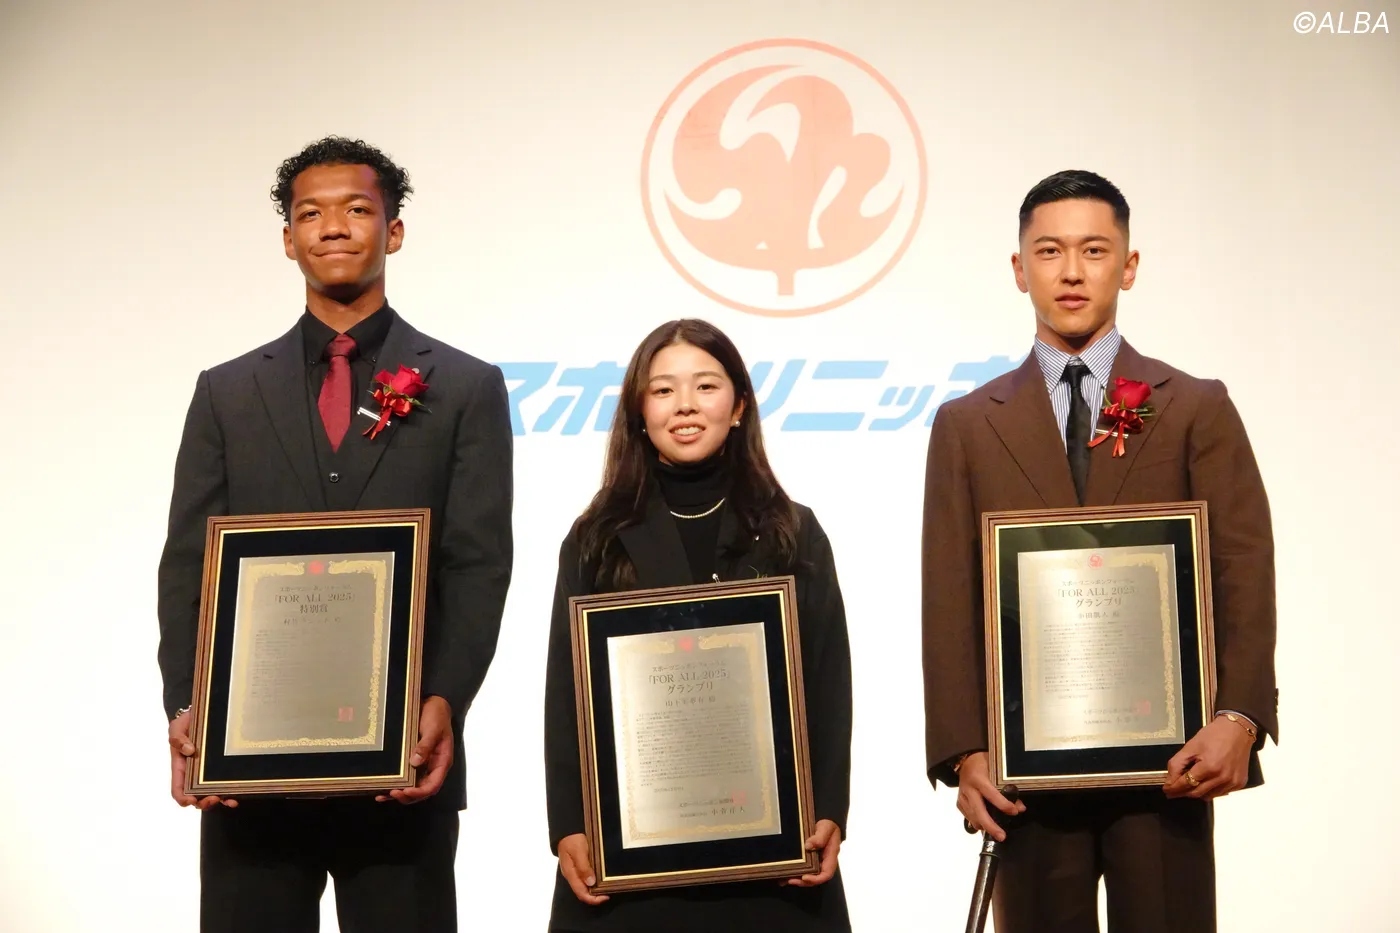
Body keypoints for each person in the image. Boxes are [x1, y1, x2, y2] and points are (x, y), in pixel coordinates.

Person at [157, 136, 514, 932]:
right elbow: (188, 565)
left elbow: (478, 563)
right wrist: (187, 702)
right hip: (250, 765)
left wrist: (445, 699)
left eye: (357, 209)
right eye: (311, 214)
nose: (334, 227)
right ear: (288, 239)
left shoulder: (464, 387)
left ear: (394, 231)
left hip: (401, 758)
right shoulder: (226, 392)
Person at [921, 170, 1277, 932]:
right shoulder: (968, 424)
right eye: (1050, 251)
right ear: (1020, 268)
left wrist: (1239, 716)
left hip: (1168, 760)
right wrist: (965, 750)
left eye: (1094, 249)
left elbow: (1243, 569)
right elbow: (948, 596)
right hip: (1028, 769)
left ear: (1130, 264)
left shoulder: (1194, 405)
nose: (1072, 271)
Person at [542, 319, 853, 933]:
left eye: (705, 386)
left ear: (738, 406)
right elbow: (565, 691)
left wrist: (828, 808)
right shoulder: (596, 538)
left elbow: (827, 678)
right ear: (639, 411)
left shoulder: (792, 530)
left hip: (772, 849)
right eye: (663, 390)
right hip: (632, 850)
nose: (684, 405)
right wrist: (570, 824)